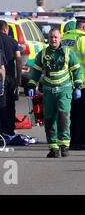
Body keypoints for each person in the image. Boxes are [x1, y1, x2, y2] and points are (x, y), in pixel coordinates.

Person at [28, 28, 82, 158]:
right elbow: (36, 71)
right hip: (49, 92)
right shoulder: (43, 54)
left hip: (64, 91)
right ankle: (53, 148)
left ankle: (64, 147)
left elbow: (76, 71)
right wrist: (31, 85)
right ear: (49, 38)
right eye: (51, 37)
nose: (53, 40)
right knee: (49, 120)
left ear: (60, 38)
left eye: (56, 37)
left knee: (63, 118)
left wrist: (78, 86)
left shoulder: (69, 53)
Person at [0, 20, 22, 136]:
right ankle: (10, 129)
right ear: (6, 29)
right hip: (10, 77)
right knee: (10, 103)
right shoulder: (13, 41)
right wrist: (19, 77)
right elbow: (18, 58)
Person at [61, 16, 85, 150]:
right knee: (81, 115)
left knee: (70, 114)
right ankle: (79, 142)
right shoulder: (83, 40)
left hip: (65, 82)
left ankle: (70, 140)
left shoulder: (65, 38)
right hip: (81, 83)